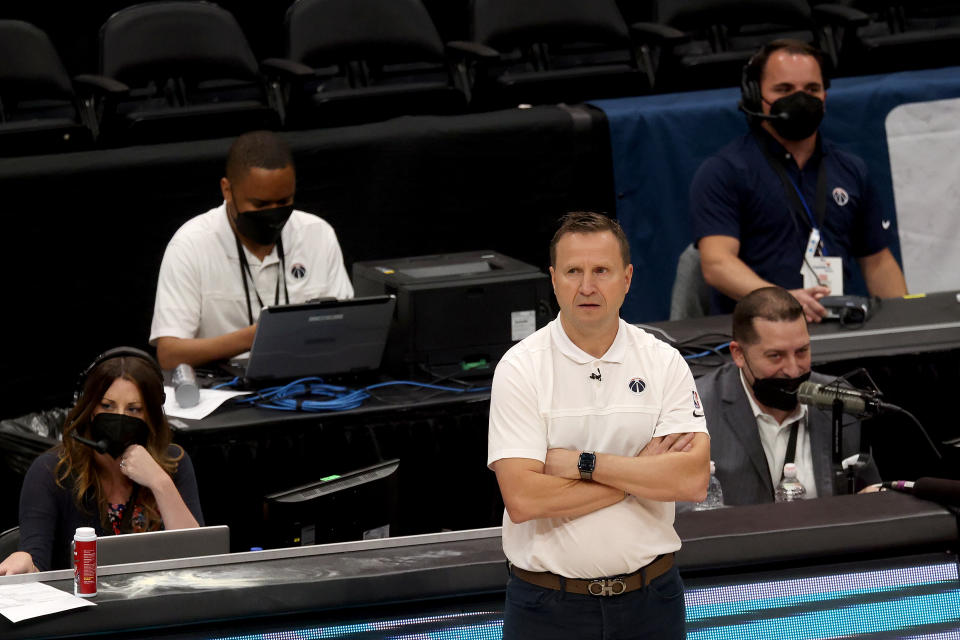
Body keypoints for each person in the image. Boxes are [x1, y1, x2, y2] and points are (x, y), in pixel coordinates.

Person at [488, 211, 710, 639]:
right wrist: (640, 474)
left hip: (653, 602)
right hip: (548, 609)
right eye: (574, 271)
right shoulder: (520, 368)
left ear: (627, 278)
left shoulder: (663, 361)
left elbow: (692, 479)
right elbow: (524, 498)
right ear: (554, 279)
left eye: (601, 271)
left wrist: (581, 463)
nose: (587, 286)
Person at [690, 39, 907, 321]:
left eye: (812, 89)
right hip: (760, 335)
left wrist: (906, 323)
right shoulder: (724, 171)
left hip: (834, 325)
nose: (800, 99)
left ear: (825, 97)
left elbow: (878, 262)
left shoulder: (851, 170)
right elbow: (717, 264)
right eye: (784, 90)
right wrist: (785, 302)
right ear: (756, 96)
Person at [150, 130, 353, 369]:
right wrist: (259, 335)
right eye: (260, 204)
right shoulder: (190, 244)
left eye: (284, 201)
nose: (274, 213)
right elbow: (170, 354)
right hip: (224, 392)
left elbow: (347, 328)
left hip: (309, 380)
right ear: (227, 190)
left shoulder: (318, 233)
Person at [0, 348, 203, 574]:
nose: (120, 417)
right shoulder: (50, 471)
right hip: (80, 604)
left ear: (151, 415)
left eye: (134, 409)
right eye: (107, 406)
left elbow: (199, 560)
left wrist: (160, 482)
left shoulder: (172, 462)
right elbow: (35, 561)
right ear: (90, 407)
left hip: (159, 603)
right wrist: (24, 561)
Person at [696, 287, 880, 505]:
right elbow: (674, 508)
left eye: (802, 351)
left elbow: (868, 494)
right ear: (739, 354)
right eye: (775, 356)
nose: (793, 370)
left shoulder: (839, 400)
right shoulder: (697, 408)